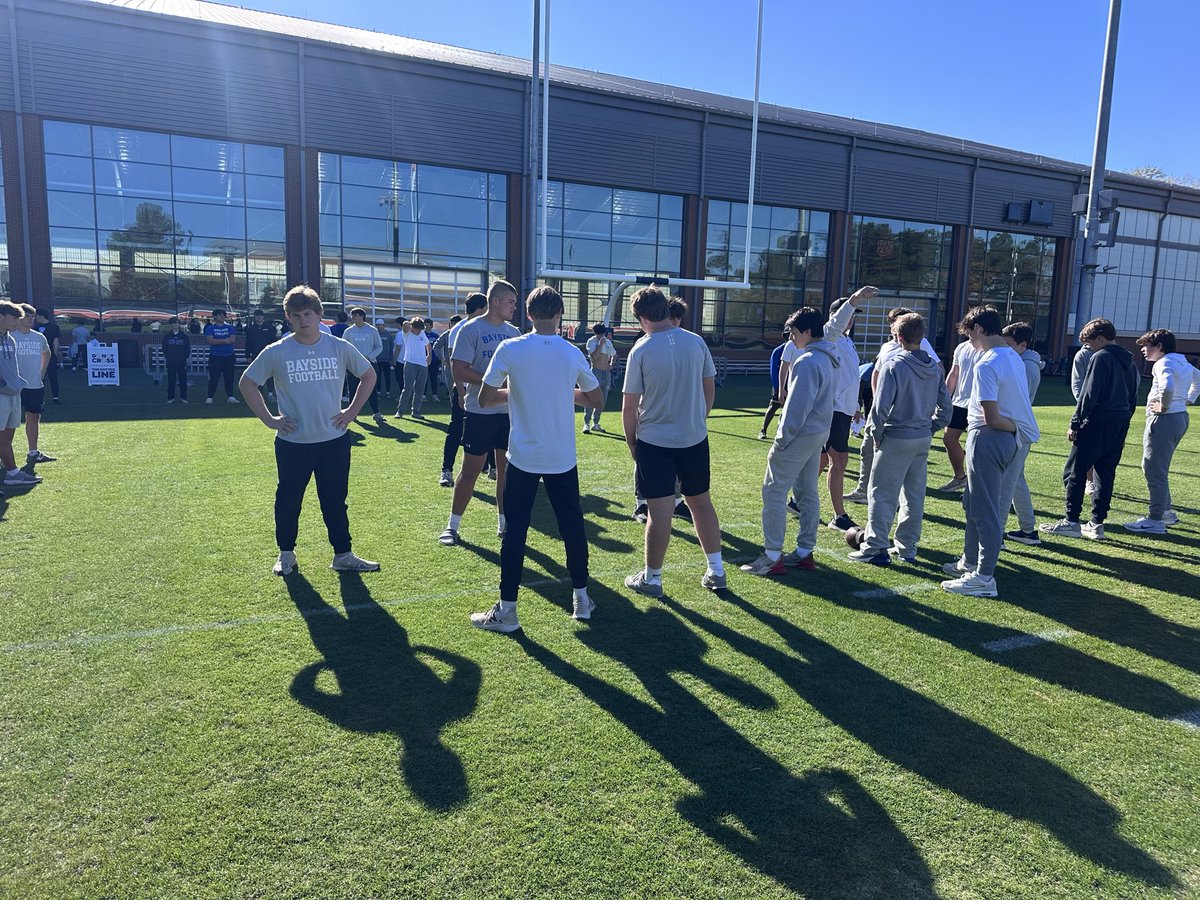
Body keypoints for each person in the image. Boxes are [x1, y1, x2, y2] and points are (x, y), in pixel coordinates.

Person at [469, 286, 604, 632]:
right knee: (572, 527)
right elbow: (596, 399)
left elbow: (484, 399)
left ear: (528, 314)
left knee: (515, 532)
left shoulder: (511, 347)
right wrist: (558, 391)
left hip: (524, 457)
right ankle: (581, 599)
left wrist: (519, 390)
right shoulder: (570, 352)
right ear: (559, 314)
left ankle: (508, 610)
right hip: (560, 457)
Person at [239, 285, 379, 576]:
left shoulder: (338, 346)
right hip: (293, 443)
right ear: (288, 318)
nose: (304, 320)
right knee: (289, 500)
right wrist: (269, 419)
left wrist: (351, 412)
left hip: (334, 441)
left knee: (335, 501)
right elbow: (247, 383)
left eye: (309, 314)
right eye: (297, 315)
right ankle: (286, 555)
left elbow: (368, 375)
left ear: (319, 315)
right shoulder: (277, 351)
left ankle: (343, 554)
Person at [621, 286, 726, 595]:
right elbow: (709, 390)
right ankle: (717, 571)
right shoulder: (695, 342)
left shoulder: (641, 350)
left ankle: (652, 578)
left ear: (640, 317)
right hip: (693, 438)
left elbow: (629, 406)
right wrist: (697, 419)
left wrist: (632, 443)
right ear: (666, 309)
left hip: (656, 442)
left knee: (660, 511)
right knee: (701, 502)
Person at [941, 306, 1039, 598]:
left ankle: (983, 577)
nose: (969, 339)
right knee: (973, 503)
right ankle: (969, 563)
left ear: (980, 329)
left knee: (985, 509)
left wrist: (1011, 428)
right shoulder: (1012, 356)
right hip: (1001, 438)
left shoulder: (987, 362)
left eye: (970, 332)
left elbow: (993, 417)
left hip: (989, 436)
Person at [741, 307, 839, 576]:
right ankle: (805, 552)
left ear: (807, 331)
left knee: (774, 491)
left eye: (794, 332)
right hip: (817, 433)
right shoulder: (828, 356)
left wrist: (781, 441)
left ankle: (772, 555)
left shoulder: (808, 361)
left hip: (800, 435)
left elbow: (797, 408)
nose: (791, 338)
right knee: (807, 492)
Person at [849, 312, 950, 565]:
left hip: (896, 437)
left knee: (881, 494)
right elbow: (946, 410)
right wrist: (930, 428)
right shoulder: (934, 368)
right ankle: (907, 548)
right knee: (913, 496)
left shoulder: (895, 365)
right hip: (921, 438)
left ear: (898, 336)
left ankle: (875, 547)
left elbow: (880, 408)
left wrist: (875, 435)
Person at [1038, 318, 1138, 541]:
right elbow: (1133, 394)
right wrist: (1126, 418)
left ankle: (1071, 521)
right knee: (1105, 472)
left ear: (1100, 338)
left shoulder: (1100, 357)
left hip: (1097, 421)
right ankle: (1096, 523)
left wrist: (1075, 423)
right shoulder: (1128, 360)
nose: (1089, 347)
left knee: (1076, 470)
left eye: (1090, 342)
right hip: (1119, 421)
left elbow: (1089, 393)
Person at [441, 282, 520, 545]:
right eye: (510, 301)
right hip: (480, 411)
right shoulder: (470, 329)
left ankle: (504, 523)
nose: (514, 307)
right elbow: (459, 369)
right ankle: (452, 526)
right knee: (470, 470)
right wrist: (492, 383)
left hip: (509, 412)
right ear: (495, 301)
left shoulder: (515, 332)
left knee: (506, 471)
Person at [850, 306, 938, 501]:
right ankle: (863, 489)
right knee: (867, 450)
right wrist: (876, 397)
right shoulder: (887, 347)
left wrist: (928, 418)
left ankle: (880, 522)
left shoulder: (921, 346)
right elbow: (876, 372)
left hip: (902, 419)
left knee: (889, 486)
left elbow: (937, 371)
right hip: (885, 410)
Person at [1123, 329, 1200, 533]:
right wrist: (1188, 399)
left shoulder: (1163, 363)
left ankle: (1155, 519)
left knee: (1153, 468)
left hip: (1164, 419)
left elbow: (1166, 388)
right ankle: (1165, 513)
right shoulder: (1182, 361)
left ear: (1158, 347)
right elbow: (1198, 379)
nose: (1143, 350)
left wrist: (1164, 407)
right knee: (1158, 467)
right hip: (1180, 418)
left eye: (1146, 345)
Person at [820, 285, 877, 531]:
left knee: (824, 459)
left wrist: (854, 405)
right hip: (831, 410)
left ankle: (796, 501)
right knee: (839, 460)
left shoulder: (846, 341)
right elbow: (836, 323)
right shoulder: (828, 335)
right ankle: (838, 516)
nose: (852, 320)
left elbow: (849, 376)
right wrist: (853, 300)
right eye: (850, 314)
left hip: (842, 410)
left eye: (854, 316)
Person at [1000, 322, 1044, 545]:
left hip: (1017, 429)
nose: (1005, 349)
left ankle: (1003, 533)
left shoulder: (1026, 367)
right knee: (1015, 479)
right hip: (1017, 427)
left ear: (1022, 345)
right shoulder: (1023, 362)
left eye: (1009, 344)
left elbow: (1017, 400)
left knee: (1008, 482)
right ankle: (1028, 529)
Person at [440, 297, 488, 487]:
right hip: (465, 389)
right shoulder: (459, 329)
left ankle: (491, 467)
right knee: (456, 429)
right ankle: (447, 470)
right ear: (480, 308)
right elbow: (456, 365)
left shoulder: (488, 327)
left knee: (489, 427)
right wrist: (461, 393)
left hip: (485, 389)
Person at [0, 302, 39, 487]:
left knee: (7, 436)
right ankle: (13, 473)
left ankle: (10, 470)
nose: (18, 321)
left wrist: (16, 384)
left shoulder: (10, 339)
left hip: (13, 394)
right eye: (14, 317)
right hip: (1, 395)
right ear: (1, 317)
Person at [938, 331, 980, 492]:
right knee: (949, 439)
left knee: (976, 446)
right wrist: (946, 398)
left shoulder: (990, 349)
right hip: (959, 403)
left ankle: (976, 485)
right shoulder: (962, 347)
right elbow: (954, 373)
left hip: (979, 404)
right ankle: (960, 477)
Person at [13, 305, 55, 465]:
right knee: (7, 421)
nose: (31, 318)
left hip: (35, 385)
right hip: (14, 387)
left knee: (33, 417)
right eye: (27, 315)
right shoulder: (10, 336)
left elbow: (47, 352)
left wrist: (42, 372)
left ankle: (33, 452)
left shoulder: (39, 337)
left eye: (33, 316)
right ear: (19, 317)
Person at [342, 307, 385, 424]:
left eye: (355, 315)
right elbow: (343, 347)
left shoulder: (372, 330)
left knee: (371, 389)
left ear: (361, 316)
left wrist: (370, 356)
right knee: (352, 389)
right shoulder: (348, 331)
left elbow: (379, 346)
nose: (353, 318)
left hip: (369, 364)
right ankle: (353, 414)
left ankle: (376, 413)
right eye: (352, 315)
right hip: (353, 365)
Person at [395, 317, 431, 420]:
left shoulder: (422, 333)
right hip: (410, 363)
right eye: (417, 328)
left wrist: (429, 356)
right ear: (412, 327)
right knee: (407, 388)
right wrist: (411, 324)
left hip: (423, 365)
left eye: (421, 328)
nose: (419, 330)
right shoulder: (407, 333)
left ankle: (416, 412)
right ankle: (400, 411)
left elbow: (428, 344)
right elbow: (405, 323)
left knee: (419, 390)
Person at [583, 322, 617, 433]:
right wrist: (600, 344)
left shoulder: (608, 342)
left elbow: (614, 354)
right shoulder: (591, 342)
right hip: (595, 372)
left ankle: (596, 423)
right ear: (595, 333)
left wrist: (611, 365)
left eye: (601, 334)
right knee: (591, 397)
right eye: (598, 334)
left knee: (603, 399)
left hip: (606, 373)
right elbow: (595, 358)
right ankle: (586, 423)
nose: (600, 336)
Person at [204, 309, 239, 404]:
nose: (222, 316)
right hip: (215, 356)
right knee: (214, 377)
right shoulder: (210, 328)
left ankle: (230, 396)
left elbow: (232, 339)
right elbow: (211, 341)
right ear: (214, 316)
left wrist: (218, 340)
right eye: (219, 315)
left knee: (229, 377)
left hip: (229, 356)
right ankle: (210, 397)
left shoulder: (230, 328)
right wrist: (224, 340)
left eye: (223, 315)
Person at [758, 338, 789, 440]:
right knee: (773, 406)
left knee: (789, 409)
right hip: (780, 385)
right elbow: (774, 370)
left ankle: (783, 431)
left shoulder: (798, 349)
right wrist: (777, 387)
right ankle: (763, 430)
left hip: (792, 384)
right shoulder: (778, 351)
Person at [244, 309, 277, 401]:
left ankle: (270, 393)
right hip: (256, 355)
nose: (259, 317)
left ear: (263, 317)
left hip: (268, 355)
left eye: (260, 315)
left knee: (270, 375)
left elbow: (273, 341)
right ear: (254, 317)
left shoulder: (269, 327)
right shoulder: (251, 329)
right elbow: (248, 343)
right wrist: (248, 355)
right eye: (257, 315)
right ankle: (260, 395)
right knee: (258, 375)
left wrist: (274, 353)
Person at [162, 316, 191, 404]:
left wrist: (184, 358)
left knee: (183, 381)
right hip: (171, 362)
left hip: (182, 362)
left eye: (177, 323)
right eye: (174, 323)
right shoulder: (167, 337)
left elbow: (187, 348)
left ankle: (183, 398)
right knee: (171, 380)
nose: (176, 325)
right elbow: (164, 349)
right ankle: (171, 398)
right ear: (171, 325)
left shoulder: (184, 336)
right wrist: (169, 357)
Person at [34, 310, 61, 405]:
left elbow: (55, 341)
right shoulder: (35, 327)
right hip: (38, 356)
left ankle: (55, 396)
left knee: (52, 376)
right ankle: (41, 398)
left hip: (50, 355)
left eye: (36, 315)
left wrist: (55, 353)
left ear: (41, 316)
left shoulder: (54, 327)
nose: (35, 318)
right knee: (40, 377)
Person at [374, 318, 394, 398]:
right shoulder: (375, 334)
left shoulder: (389, 335)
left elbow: (392, 347)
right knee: (377, 376)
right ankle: (378, 391)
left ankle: (387, 392)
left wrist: (391, 359)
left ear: (384, 325)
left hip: (386, 360)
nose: (379, 327)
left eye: (380, 325)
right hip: (377, 359)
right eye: (377, 325)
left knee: (387, 376)